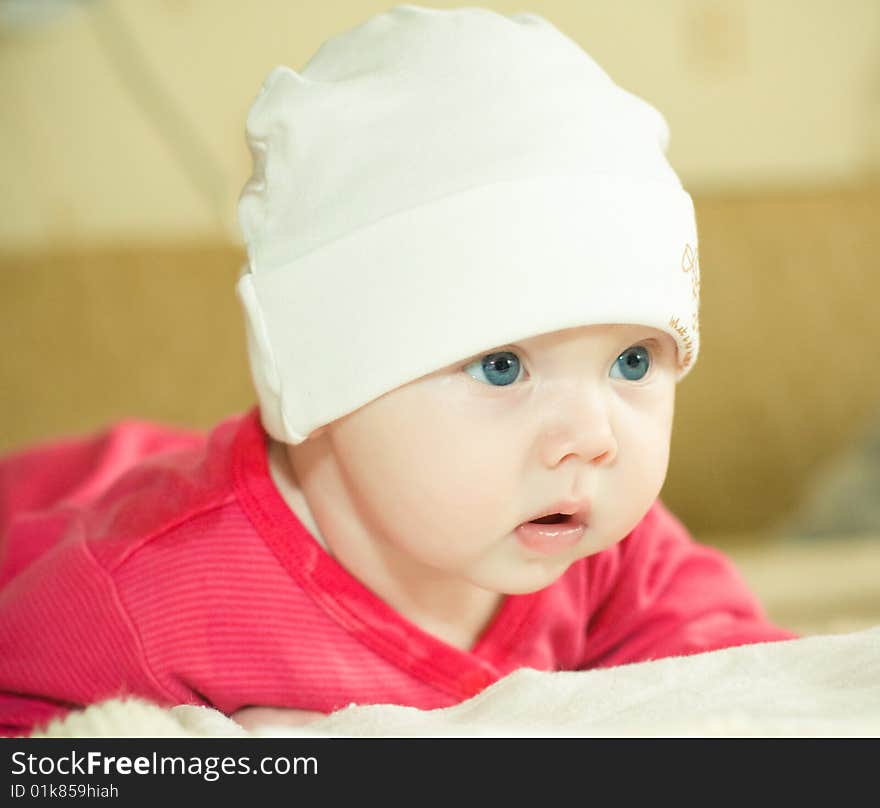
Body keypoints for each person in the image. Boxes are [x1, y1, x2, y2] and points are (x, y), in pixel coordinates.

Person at [0, 4, 796, 737]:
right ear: (328, 378)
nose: (593, 438)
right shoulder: (146, 595)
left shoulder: (610, 554)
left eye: (632, 361)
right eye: (500, 365)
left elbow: (746, 691)